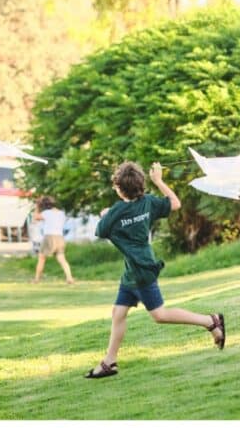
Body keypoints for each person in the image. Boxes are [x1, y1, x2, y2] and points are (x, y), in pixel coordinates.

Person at [85, 161, 225, 379]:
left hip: (141, 271)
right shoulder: (148, 202)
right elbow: (175, 203)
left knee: (160, 315)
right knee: (118, 313)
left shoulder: (116, 211)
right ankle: (109, 362)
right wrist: (159, 181)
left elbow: (101, 231)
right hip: (133, 271)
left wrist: (105, 214)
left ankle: (211, 321)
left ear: (120, 189)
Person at [32, 196, 74, 284]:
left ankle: (36, 279)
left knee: (41, 258)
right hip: (60, 237)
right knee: (62, 259)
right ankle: (69, 278)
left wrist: (36, 206)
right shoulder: (61, 213)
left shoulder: (46, 213)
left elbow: (35, 218)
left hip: (49, 237)